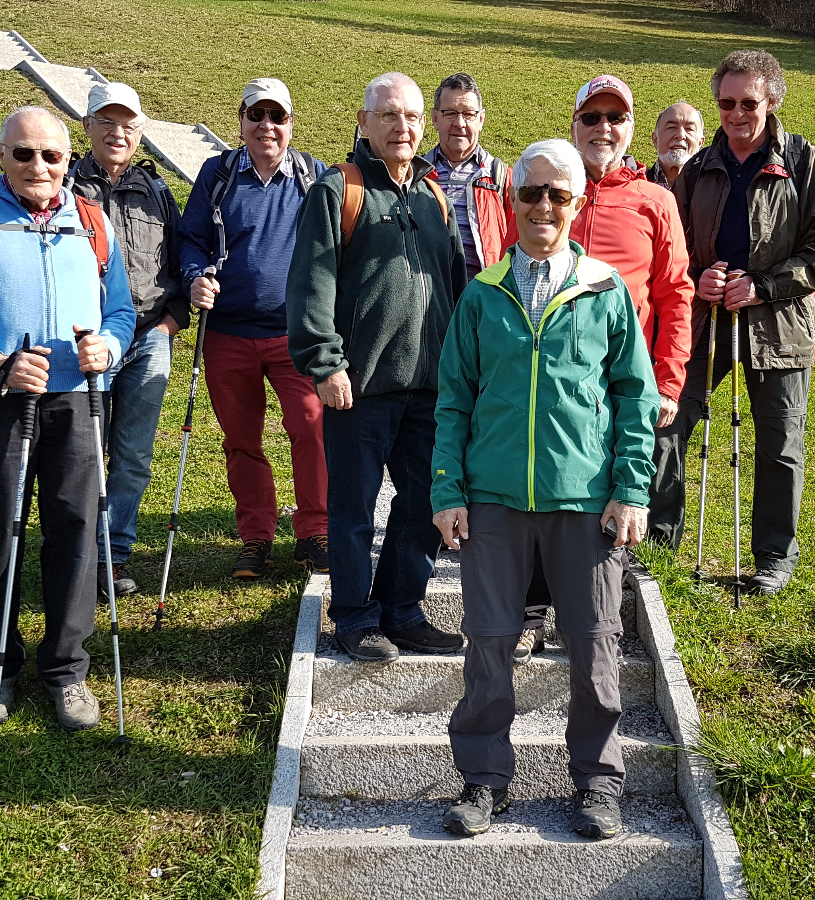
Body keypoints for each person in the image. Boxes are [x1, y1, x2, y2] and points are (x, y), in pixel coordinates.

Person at [432, 139, 657, 841]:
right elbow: (453, 400)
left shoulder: (605, 289)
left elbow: (635, 396)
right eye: (530, 192)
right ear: (512, 199)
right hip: (494, 500)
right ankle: (484, 780)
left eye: (558, 194)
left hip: (585, 502)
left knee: (594, 650)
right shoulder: (483, 292)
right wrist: (447, 490)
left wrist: (631, 488)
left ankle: (597, 783)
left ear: (577, 203)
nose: (543, 207)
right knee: (489, 645)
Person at [0, 106, 135, 730]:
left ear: (68, 160)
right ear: (2, 154)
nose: (38, 166)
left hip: (77, 400)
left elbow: (120, 311)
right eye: (23, 153)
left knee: (76, 531)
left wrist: (108, 348)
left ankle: (67, 669)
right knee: (2, 531)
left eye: (51, 155)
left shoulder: (90, 219)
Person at [286, 73, 468, 662]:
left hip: (429, 388)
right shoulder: (338, 190)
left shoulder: (433, 197)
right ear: (364, 122)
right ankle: (354, 617)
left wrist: (460, 370)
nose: (402, 127)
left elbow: (455, 289)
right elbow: (310, 285)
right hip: (358, 388)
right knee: (354, 511)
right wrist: (325, 363)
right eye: (389, 115)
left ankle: (402, 611)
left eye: (412, 116)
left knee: (420, 507)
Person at [513, 74, 693, 664]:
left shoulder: (654, 200)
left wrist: (667, 380)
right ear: (574, 125)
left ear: (631, 128)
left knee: (608, 495)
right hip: (552, 380)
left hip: (620, 382)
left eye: (616, 118)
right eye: (591, 117)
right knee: (542, 490)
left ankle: (590, 614)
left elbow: (675, 294)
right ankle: (532, 611)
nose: (603, 129)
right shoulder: (547, 189)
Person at [662, 50, 815, 595]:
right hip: (705, 321)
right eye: (726, 103)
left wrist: (764, 286)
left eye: (748, 103)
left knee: (779, 444)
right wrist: (697, 277)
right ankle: (655, 543)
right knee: (667, 426)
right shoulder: (698, 168)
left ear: (771, 102)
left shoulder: (803, 161)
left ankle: (772, 558)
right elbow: (672, 244)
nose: (736, 114)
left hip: (780, 325)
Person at [178, 77, 330, 579]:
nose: (266, 125)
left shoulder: (313, 176)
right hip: (228, 333)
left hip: (295, 334)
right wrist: (195, 276)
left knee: (311, 427)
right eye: (256, 115)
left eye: (277, 116)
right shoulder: (218, 173)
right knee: (241, 439)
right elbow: (192, 239)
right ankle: (256, 537)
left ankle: (314, 532)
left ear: (291, 123)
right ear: (241, 121)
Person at [65, 82, 190, 597]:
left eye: (128, 125)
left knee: (133, 455)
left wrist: (169, 325)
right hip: (85, 344)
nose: (118, 133)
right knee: (83, 452)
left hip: (147, 338)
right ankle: (76, 556)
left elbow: (182, 262)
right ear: (87, 126)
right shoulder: (63, 186)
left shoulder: (157, 191)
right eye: (107, 123)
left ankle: (112, 556)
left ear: (140, 133)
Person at [424, 72, 515, 279]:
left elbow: (518, 244)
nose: (460, 123)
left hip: (484, 293)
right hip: (428, 294)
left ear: (481, 119)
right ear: (435, 118)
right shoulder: (416, 175)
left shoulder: (501, 178)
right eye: (450, 113)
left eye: (468, 114)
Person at [647, 101, 704, 188]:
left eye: (689, 129)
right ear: (656, 140)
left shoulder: (710, 189)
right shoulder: (636, 186)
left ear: (700, 143)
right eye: (671, 127)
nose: (680, 135)